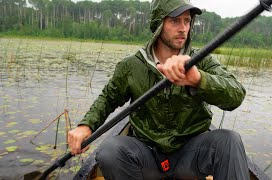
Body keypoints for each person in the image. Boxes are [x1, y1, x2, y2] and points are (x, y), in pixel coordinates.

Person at [68, 0, 249, 179]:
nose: (183, 28)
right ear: (157, 24)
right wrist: (86, 126)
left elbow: (236, 95)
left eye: (187, 21)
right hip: (146, 155)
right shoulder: (132, 65)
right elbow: (108, 98)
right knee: (109, 151)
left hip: (191, 156)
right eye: (175, 21)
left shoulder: (201, 61)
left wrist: (198, 79)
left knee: (229, 141)